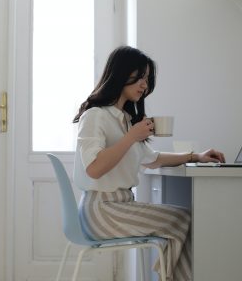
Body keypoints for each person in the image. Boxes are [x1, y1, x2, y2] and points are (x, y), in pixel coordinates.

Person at [73, 46, 225, 281]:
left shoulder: (124, 119)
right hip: (102, 211)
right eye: (140, 77)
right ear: (121, 73)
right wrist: (131, 136)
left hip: (118, 207)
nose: (145, 85)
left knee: (183, 220)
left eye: (147, 78)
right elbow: (94, 168)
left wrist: (196, 156)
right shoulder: (95, 115)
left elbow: (152, 159)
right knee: (182, 219)